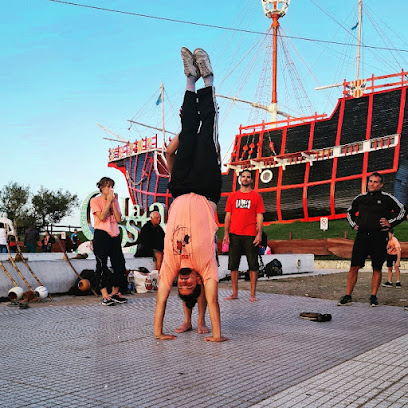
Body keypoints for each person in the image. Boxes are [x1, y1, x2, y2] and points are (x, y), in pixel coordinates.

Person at [154, 46, 228, 342]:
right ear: (198, 281)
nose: (182, 281)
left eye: (180, 284)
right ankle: (208, 79)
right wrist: (217, 335)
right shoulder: (205, 265)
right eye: (188, 284)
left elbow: (160, 301)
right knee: (207, 127)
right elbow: (214, 303)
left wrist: (158, 333)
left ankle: (189, 79)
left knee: (186, 130)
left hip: (181, 186)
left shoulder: (171, 264)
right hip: (207, 187)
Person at [338, 172, 406, 307]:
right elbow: (349, 212)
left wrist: (390, 223)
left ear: (381, 184)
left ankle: (373, 296)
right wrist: (354, 225)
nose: (372, 184)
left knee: (377, 267)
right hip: (362, 236)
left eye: (375, 182)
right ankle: (348, 296)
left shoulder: (387, 198)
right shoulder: (360, 198)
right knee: (354, 266)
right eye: (370, 181)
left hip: (379, 237)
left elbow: (402, 211)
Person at [223, 169, 265, 302]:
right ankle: (234, 293)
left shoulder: (256, 197)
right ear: (240, 179)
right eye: (243, 176)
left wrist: (259, 234)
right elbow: (228, 216)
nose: (245, 179)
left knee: (253, 265)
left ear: (251, 180)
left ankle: (252, 294)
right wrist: (226, 234)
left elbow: (260, 216)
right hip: (234, 234)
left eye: (248, 177)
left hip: (250, 235)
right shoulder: (232, 197)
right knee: (233, 265)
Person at [91, 177, 127, 306]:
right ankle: (105, 294)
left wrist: (113, 202)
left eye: (111, 186)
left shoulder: (114, 201)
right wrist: (107, 202)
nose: (109, 188)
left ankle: (115, 292)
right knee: (102, 264)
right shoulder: (95, 201)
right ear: (101, 187)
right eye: (107, 186)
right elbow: (101, 216)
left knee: (119, 263)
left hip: (114, 234)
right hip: (101, 233)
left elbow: (118, 218)